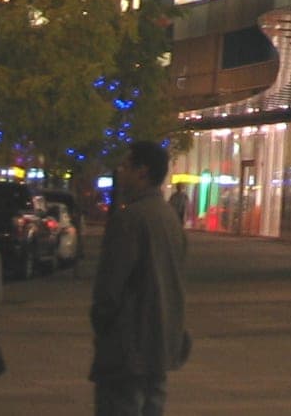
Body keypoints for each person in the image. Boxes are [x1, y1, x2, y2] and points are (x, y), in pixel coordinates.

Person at [91, 140, 190, 416]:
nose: (120, 172)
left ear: (142, 172)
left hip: (128, 344)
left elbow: (109, 286)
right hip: (161, 342)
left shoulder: (130, 219)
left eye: (125, 166)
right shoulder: (169, 218)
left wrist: (103, 322)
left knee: (120, 405)